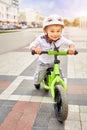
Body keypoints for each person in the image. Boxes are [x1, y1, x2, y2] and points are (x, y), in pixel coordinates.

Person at [29, 14, 75, 89]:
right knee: (39, 77)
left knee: (60, 76)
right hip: (43, 62)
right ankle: (36, 82)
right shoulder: (41, 39)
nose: (55, 34)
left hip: (55, 62)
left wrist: (71, 48)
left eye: (58, 31)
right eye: (52, 31)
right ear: (45, 31)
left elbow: (70, 43)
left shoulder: (61, 39)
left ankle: (59, 87)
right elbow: (32, 45)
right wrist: (35, 49)